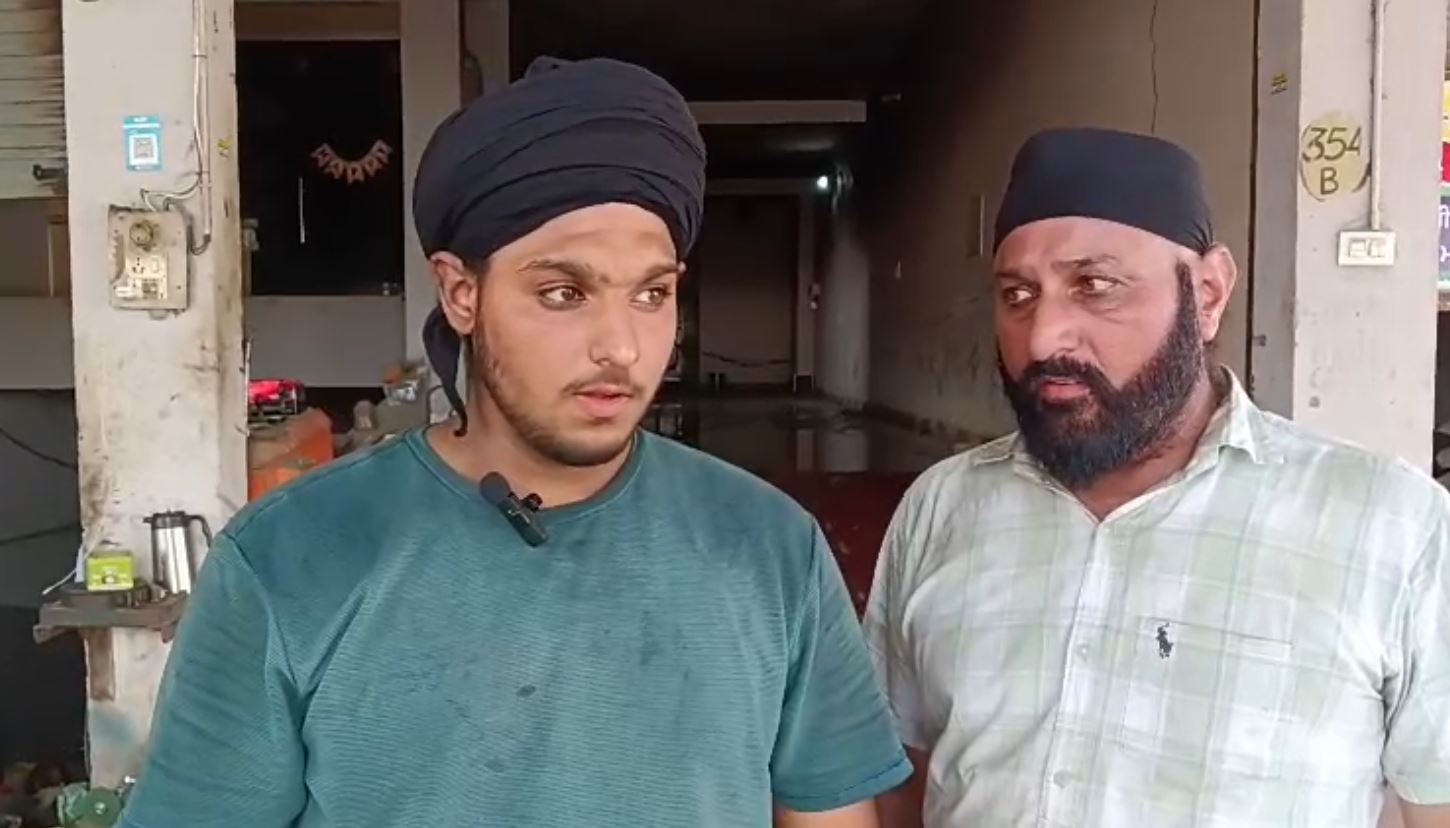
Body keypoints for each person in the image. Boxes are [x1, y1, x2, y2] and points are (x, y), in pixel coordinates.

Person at [120, 57, 911, 828]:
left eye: (652, 293)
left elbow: (830, 813)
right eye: (564, 292)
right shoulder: (288, 558)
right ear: (461, 292)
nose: (622, 347)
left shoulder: (771, 550)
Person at [865, 127, 1450, 828]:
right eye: (1018, 294)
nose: (1044, 337)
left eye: (1095, 286)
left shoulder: (1391, 525)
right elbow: (892, 778)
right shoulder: (942, 508)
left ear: (1207, 293)